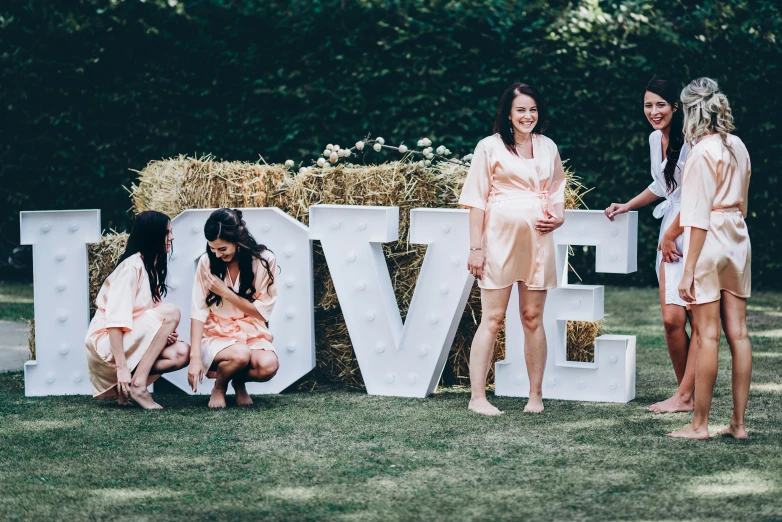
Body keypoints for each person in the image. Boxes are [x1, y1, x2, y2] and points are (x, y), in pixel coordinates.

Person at [459, 82, 566, 416]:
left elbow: (558, 187)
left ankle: (535, 395)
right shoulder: (488, 148)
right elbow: (476, 201)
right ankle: (478, 397)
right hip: (499, 241)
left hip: (538, 241)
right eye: (520, 110)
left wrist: (558, 216)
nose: (527, 116)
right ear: (508, 112)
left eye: (532, 109)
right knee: (492, 318)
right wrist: (476, 248)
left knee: (533, 317)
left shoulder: (548, 146)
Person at [605, 77, 698, 413]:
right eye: (648, 105)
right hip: (670, 232)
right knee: (672, 319)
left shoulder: (694, 139)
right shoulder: (653, 139)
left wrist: (674, 234)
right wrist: (628, 205)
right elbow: (663, 186)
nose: (654, 111)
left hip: (696, 230)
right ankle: (685, 394)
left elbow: (699, 195)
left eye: (661, 104)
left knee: (698, 319)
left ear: (676, 106)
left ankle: (686, 397)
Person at [669, 78, 752, 440]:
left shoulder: (701, 152)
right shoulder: (738, 145)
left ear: (690, 111)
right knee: (739, 332)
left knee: (707, 335)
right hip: (738, 236)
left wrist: (687, 271)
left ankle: (699, 425)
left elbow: (697, 216)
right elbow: (745, 202)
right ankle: (738, 424)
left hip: (710, 238)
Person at [85, 210, 190, 409]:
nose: (172, 237)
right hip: (106, 345)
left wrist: (162, 334)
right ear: (153, 235)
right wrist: (122, 368)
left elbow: (146, 318)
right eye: (167, 232)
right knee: (172, 312)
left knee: (182, 352)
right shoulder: (131, 268)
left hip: (129, 340)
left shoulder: (150, 267)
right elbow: (115, 322)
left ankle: (124, 391)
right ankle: (138, 386)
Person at [188, 208, 279, 408]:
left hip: (251, 332)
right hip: (215, 334)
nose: (217, 255)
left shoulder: (265, 260)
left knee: (268, 365)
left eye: (222, 249)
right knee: (240, 354)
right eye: (212, 249)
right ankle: (219, 388)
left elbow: (262, 311)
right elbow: (198, 310)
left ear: (238, 239)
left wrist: (227, 293)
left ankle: (236, 380)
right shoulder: (207, 262)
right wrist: (195, 358)